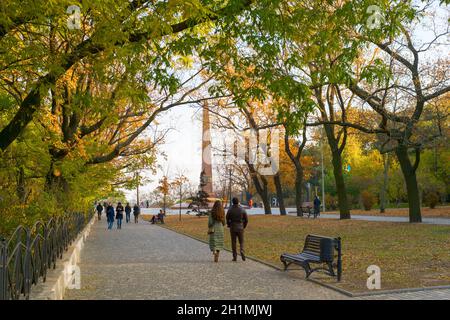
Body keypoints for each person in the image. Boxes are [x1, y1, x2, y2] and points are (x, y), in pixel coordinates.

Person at [226, 197, 248, 261]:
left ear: (232, 202)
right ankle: (242, 250)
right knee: (241, 241)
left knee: (233, 242)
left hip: (233, 227)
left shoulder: (230, 209)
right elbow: (246, 220)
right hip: (240, 227)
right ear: (238, 202)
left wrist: (229, 225)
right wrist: (244, 226)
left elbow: (227, 218)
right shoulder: (242, 209)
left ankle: (235, 256)